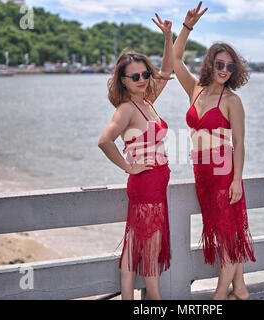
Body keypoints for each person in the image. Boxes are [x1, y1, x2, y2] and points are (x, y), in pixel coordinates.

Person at [173, 1, 256, 300]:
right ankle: (241, 289)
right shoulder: (195, 89)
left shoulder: (232, 101)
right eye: (219, 64)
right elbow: (175, 58)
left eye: (230, 67)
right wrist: (187, 26)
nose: (224, 70)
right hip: (201, 172)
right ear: (210, 64)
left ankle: (221, 295)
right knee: (225, 230)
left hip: (223, 173)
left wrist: (237, 180)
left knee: (225, 235)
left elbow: (240, 144)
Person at [97, 14, 173, 300]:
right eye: (135, 77)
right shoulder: (127, 108)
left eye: (145, 74)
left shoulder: (148, 100)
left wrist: (168, 36)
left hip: (155, 184)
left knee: (133, 247)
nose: (142, 79)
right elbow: (105, 141)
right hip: (145, 185)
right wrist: (129, 166)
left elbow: (167, 68)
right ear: (124, 80)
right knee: (149, 253)